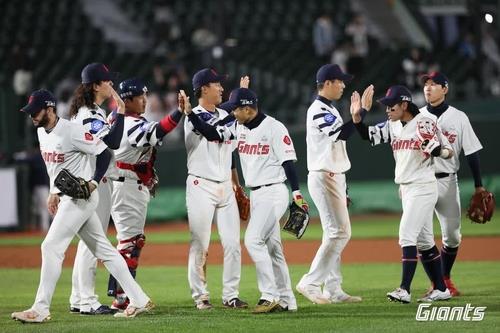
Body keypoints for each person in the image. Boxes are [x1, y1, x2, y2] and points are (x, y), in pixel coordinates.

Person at [11, 89, 153, 323]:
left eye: (35, 111)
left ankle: (40, 308)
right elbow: (54, 168)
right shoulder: (41, 133)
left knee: (50, 247)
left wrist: (94, 182)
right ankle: (139, 298)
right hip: (66, 196)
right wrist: (53, 192)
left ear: (50, 108)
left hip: (81, 198)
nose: (32, 116)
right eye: (29, 112)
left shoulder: (71, 130)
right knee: (104, 250)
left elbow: (105, 153)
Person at [180, 87, 304, 313]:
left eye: (236, 109)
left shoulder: (275, 127)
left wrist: (296, 193)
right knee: (274, 248)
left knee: (252, 240)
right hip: (256, 194)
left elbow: (289, 163)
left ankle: (269, 295)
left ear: (248, 109)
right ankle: (288, 301)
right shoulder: (238, 127)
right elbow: (211, 133)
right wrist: (190, 114)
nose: (232, 113)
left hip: (274, 191)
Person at [352, 84, 454, 303]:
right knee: (425, 242)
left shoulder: (425, 123)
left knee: (406, 234)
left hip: (423, 186)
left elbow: (447, 151)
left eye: (391, 105)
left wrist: (437, 150)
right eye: (386, 106)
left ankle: (404, 289)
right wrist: (359, 117)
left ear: (404, 104)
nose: (387, 109)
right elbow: (368, 136)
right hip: (406, 188)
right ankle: (441, 288)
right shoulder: (393, 125)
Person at [106, 78, 183, 310]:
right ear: (127, 99)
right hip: (127, 186)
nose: (145, 100)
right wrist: (179, 112)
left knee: (129, 242)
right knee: (129, 243)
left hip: (127, 184)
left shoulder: (116, 119)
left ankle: (122, 295)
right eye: (140, 96)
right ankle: (122, 297)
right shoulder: (129, 123)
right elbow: (157, 130)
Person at [296, 64, 369, 304]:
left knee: (333, 232)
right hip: (324, 175)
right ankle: (310, 282)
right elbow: (339, 134)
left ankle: (333, 289)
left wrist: (356, 118)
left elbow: (339, 139)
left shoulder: (330, 109)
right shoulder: (318, 109)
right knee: (341, 232)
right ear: (327, 83)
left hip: (334, 175)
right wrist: (360, 116)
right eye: (340, 81)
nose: (344, 85)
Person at [183, 68, 247, 310]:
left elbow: (230, 153)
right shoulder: (191, 117)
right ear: (204, 89)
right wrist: (236, 101)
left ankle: (231, 295)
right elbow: (210, 132)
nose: (221, 88)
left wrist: (236, 182)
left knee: (232, 244)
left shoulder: (224, 114)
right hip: (201, 185)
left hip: (225, 187)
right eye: (217, 84)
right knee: (200, 243)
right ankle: (201, 296)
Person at [419, 71, 487, 296]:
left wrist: (479, 186)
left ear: (445, 89)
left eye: (434, 84)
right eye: (426, 84)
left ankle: (445, 278)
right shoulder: (416, 117)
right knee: (422, 237)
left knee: (453, 236)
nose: (428, 88)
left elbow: (472, 153)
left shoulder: (459, 117)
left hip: (447, 181)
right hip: (421, 182)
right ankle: (437, 284)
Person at [67, 63, 124, 315]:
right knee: (94, 243)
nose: (111, 84)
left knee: (87, 244)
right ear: (95, 85)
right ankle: (88, 300)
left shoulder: (89, 111)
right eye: (107, 81)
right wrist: (120, 111)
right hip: (93, 182)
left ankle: (78, 298)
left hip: (89, 180)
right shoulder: (89, 114)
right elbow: (112, 141)